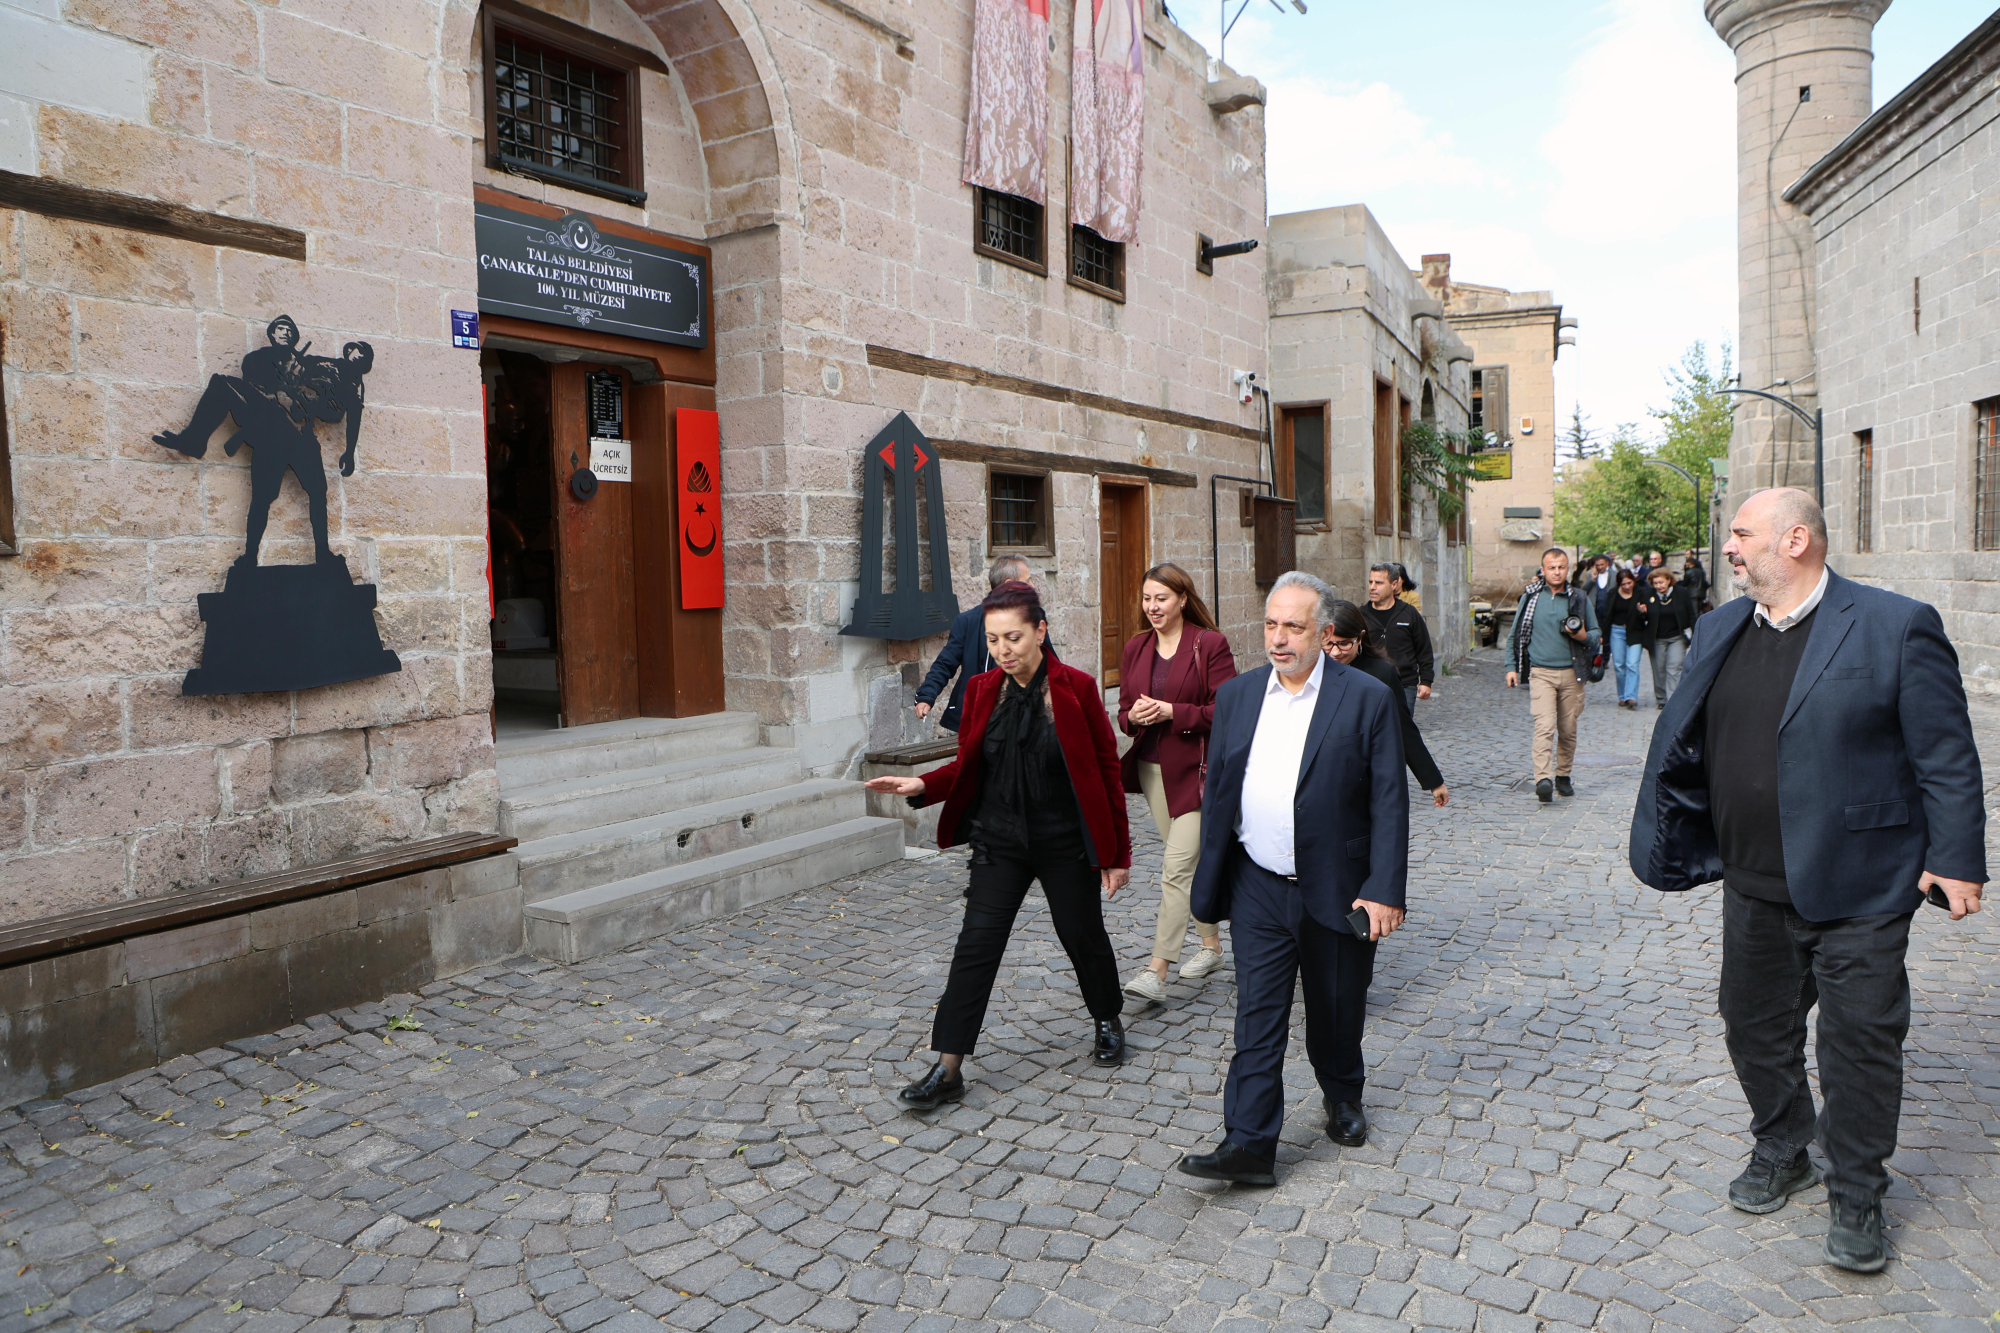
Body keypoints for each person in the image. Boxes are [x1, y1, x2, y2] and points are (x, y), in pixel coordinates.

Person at [1629, 488, 1985, 1275]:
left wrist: (1957, 856)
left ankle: (1856, 1192)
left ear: (1795, 540)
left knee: (1859, 1044)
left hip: (1864, 883)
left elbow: (1946, 754)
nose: (1728, 546)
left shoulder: (1896, 625)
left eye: (1741, 533)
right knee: (1751, 1027)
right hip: (1752, 880)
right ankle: (1785, 1141)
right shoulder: (1721, 626)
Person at [1174, 572, 1408, 1186]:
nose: (1278, 639)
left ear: (1324, 632)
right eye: (1271, 624)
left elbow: (1389, 800)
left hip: (1338, 884)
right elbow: (1222, 787)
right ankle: (1249, 1145)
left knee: (1336, 1006)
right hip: (1257, 882)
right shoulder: (1238, 696)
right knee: (1256, 1016)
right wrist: (1215, 870)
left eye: (1294, 627)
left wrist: (1384, 888)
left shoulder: (1365, 697)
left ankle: (1343, 1092)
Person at [866, 581, 1133, 1110]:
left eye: (1013, 637)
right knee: (976, 946)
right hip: (999, 841)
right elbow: (969, 766)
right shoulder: (982, 690)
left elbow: (1107, 774)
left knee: (1081, 934)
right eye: (993, 640)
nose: (1003, 650)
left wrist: (1117, 855)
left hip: (1062, 840)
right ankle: (948, 1068)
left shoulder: (1077, 689)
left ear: (1040, 631)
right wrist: (922, 784)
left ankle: (1107, 1016)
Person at [1116, 563, 1238, 1003]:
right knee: (1192, 865)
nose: (1152, 607)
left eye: (1161, 598)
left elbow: (1229, 709)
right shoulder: (1135, 647)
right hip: (1152, 771)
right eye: (1147, 598)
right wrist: (1132, 717)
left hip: (1198, 773)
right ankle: (1211, 947)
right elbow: (1124, 711)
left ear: (1183, 599)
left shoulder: (1209, 644)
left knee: (1177, 869)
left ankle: (1157, 970)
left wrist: (1174, 713)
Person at [1325, 600, 1446, 807]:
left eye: (1344, 644)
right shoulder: (1309, 674)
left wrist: (1433, 781)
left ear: (1360, 637)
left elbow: (1403, 729)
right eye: (1328, 644)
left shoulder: (1381, 675)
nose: (1335, 652)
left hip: (1363, 779)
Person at [1505, 548, 1598, 803]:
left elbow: (1596, 634)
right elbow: (1514, 635)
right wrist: (1511, 667)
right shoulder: (1531, 597)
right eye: (1552, 567)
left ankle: (1563, 775)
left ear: (1568, 569)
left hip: (1572, 674)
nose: (1557, 572)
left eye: (1561, 567)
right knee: (1544, 726)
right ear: (1543, 570)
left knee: (1567, 729)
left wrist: (1581, 635)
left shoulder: (1580, 598)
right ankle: (1543, 780)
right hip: (1540, 673)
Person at [914, 555, 1032, 731]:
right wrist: (926, 696)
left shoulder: (1032, 623)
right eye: (1027, 581)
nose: (1032, 587)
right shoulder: (968, 621)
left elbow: (1050, 667)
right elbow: (945, 664)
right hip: (974, 722)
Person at [1361, 563, 1434, 714]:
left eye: (1379, 583)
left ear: (1394, 585)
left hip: (1404, 684)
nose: (1372, 587)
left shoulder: (1409, 613)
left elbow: (1424, 648)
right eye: (1370, 582)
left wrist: (1426, 681)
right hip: (1369, 684)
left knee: (1402, 727)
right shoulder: (1360, 615)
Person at [1638, 566, 1694, 706]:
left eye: (1661, 582)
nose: (1659, 586)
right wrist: (1642, 613)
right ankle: (1661, 699)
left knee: (1674, 669)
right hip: (1657, 639)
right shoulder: (1648, 595)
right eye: (1655, 583)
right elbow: (1642, 620)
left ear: (1669, 580)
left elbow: (1691, 614)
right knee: (1659, 670)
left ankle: (1673, 701)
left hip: (1677, 637)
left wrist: (1696, 634)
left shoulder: (1681, 593)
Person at [1604, 568, 1649, 709]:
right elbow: (1606, 615)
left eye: (1629, 583)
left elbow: (1648, 616)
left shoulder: (1641, 592)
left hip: (1635, 631)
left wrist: (1643, 612)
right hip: (1617, 631)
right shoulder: (1613, 593)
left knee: (1632, 664)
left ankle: (1631, 697)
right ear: (1619, 584)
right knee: (1619, 665)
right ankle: (1622, 696)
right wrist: (1603, 635)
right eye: (1623, 584)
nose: (1627, 586)